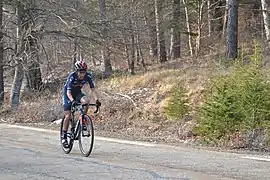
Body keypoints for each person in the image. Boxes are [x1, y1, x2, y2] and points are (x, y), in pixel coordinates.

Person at [61, 60, 101, 148]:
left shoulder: (88, 76)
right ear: (77, 71)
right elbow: (68, 93)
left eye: (84, 72)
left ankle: (83, 120)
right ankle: (64, 136)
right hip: (68, 95)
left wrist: (97, 100)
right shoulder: (72, 76)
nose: (82, 74)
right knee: (68, 115)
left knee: (86, 101)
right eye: (80, 72)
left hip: (78, 93)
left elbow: (92, 90)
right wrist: (72, 101)